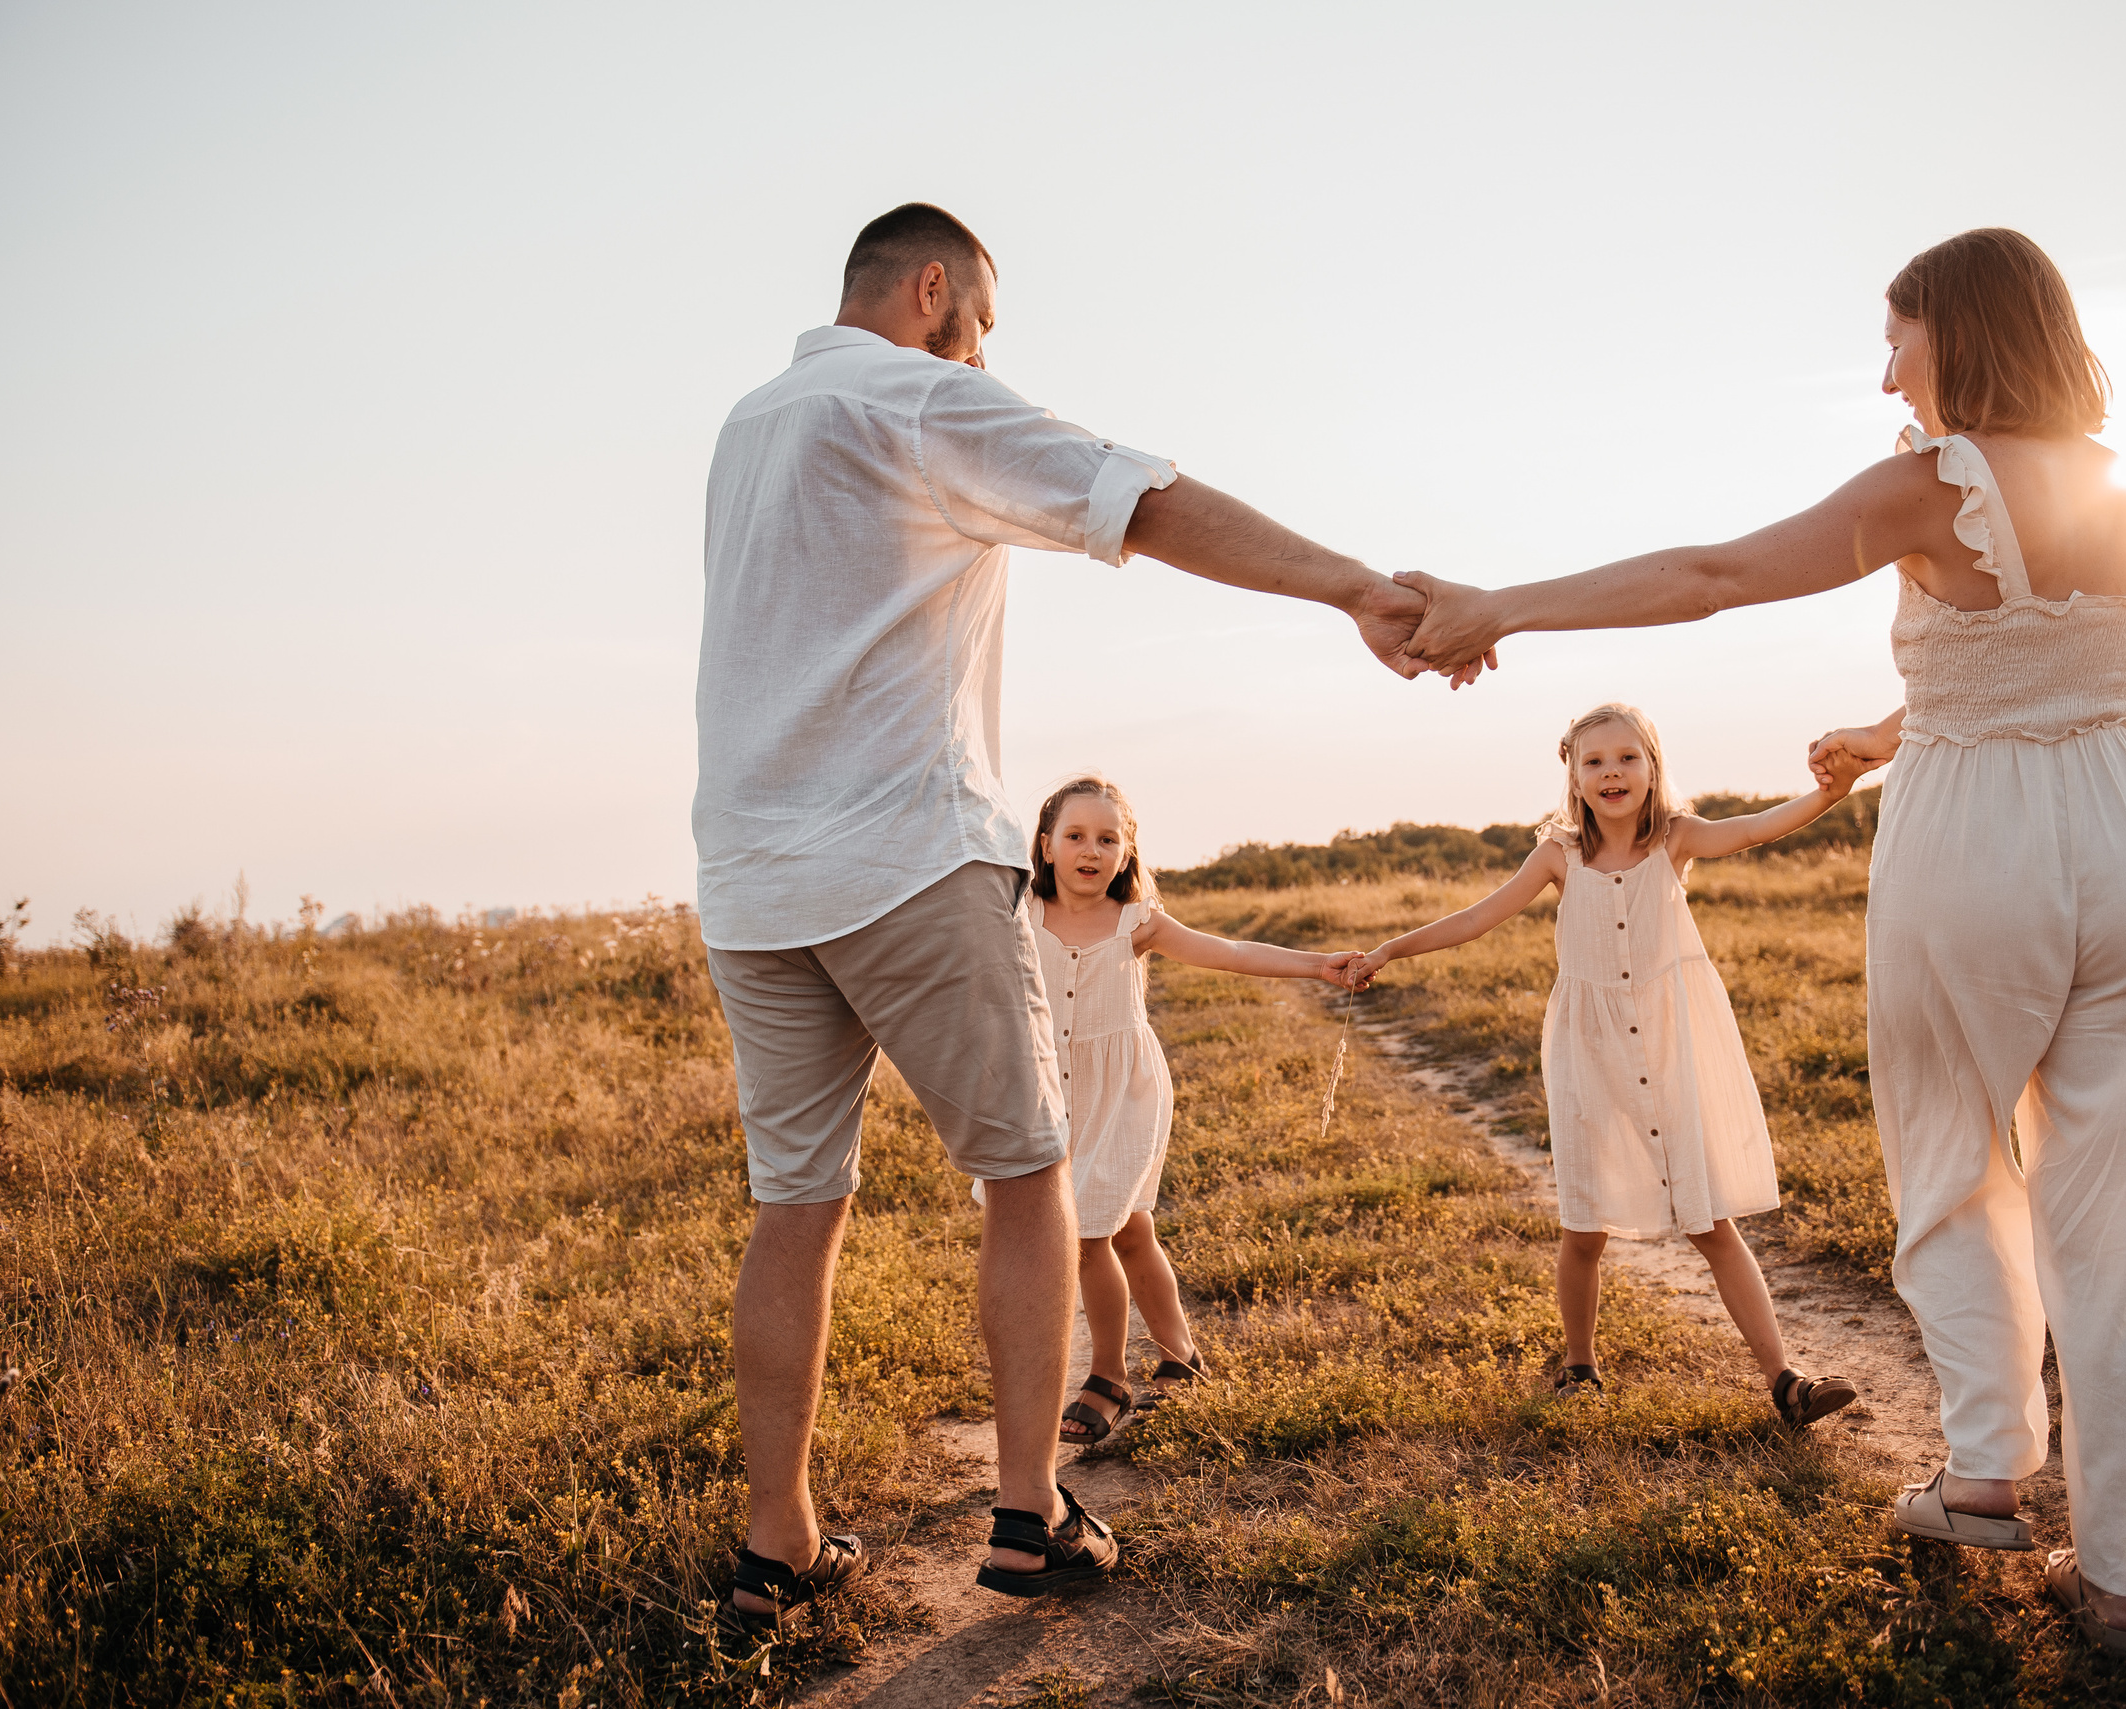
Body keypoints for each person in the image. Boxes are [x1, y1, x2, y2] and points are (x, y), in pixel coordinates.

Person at [1392, 230, 2126, 1663]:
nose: (1888, 372)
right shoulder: (2125, 488)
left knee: (1951, 1154)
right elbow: (2051, 669)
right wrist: (1892, 727)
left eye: (1898, 339)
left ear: (1959, 331)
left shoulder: (1935, 483)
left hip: (1973, 845)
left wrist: (1501, 605)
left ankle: (1986, 1471)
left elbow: (1714, 573)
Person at [696, 203, 1431, 1625]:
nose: (985, 354)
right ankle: (1030, 1513)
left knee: (796, 1201)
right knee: (1031, 1175)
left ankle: (777, 1540)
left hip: (750, 878)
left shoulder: (749, 424)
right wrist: (1354, 586)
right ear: (932, 291)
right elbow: (1137, 499)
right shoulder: (920, 394)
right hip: (907, 855)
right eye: (982, 324)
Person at [1350, 703, 1864, 1425]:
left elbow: (1757, 827)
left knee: (1709, 1220)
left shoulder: (1675, 838)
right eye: (1594, 761)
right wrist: (1389, 950)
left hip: (1670, 1047)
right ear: (1573, 774)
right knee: (1585, 1226)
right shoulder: (1558, 854)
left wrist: (1829, 794)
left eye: (1627, 757)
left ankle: (1786, 1381)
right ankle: (1580, 1365)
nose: (1612, 773)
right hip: (1588, 1055)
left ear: (1652, 766)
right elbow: (1476, 917)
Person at [1003, 776, 1363, 1447]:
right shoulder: (1019, 911)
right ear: (1046, 845)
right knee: (1132, 1230)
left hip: (1122, 1097)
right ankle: (1182, 1355)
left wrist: (1318, 966)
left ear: (1127, 850)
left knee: (1091, 1236)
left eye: (1107, 838)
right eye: (1075, 835)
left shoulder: (1135, 922)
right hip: (1047, 1092)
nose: (1091, 850)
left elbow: (1231, 953)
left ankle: (1108, 1376)